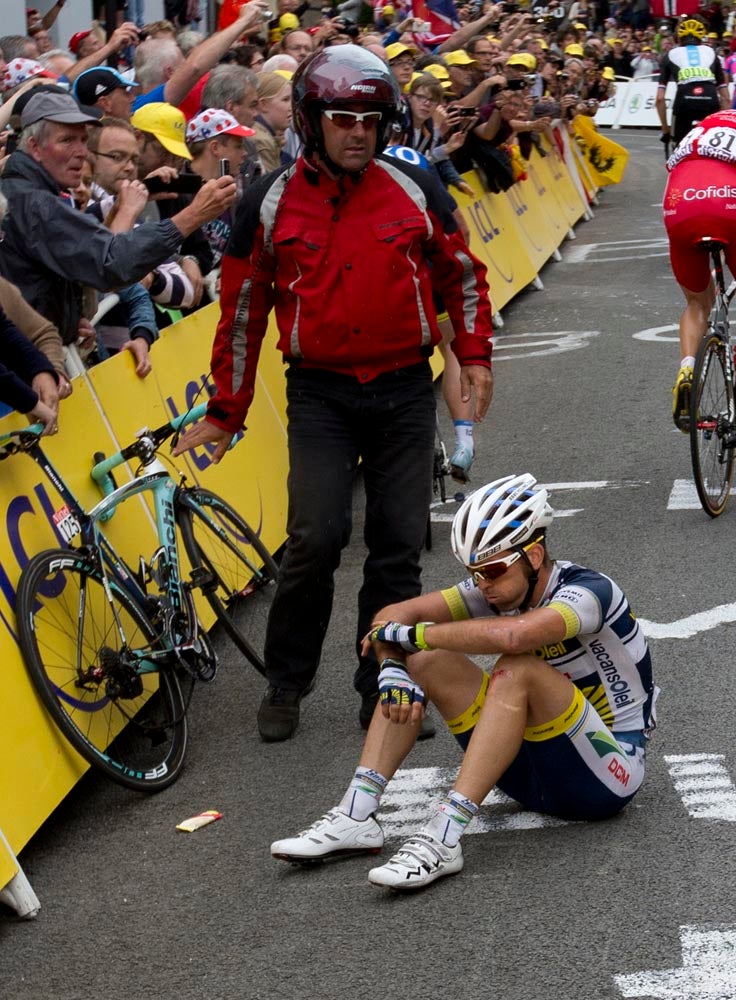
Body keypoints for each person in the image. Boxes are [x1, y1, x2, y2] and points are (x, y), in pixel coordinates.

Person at [173, 46, 494, 743]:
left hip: (406, 387)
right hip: (319, 394)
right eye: (343, 119)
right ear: (312, 123)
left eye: (372, 121)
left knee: (398, 544)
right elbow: (240, 317)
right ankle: (288, 680)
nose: (358, 133)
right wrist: (226, 410)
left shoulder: (416, 189)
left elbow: (463, 276)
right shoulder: (268, 201)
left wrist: (473, 356)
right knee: (315, 536)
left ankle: (384, 682)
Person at [270, 474, 658, 891]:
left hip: (606, 777)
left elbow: (515, 636)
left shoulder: (589, 592)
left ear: (534, 554)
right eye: (475, 572)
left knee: (516, 667)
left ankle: (444, 836)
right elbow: (393, 614)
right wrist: (392, 669)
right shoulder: (495, 587)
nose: (483, 584)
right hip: (530, 774)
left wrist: (411, 635)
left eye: (491, 569)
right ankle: (356, 815)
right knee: (427, 658)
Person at [0, 90, 236, 353]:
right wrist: (194, 215)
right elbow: (110, 262)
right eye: (67, 140)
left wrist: (67, 319)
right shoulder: (35, 203)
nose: (80, 152)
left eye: (82, 140)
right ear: (34, 146)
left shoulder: (34, 194)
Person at [663, 107, 736, 429]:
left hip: (680, 206)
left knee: (696, 303)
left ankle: (688, 368)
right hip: (727, 204)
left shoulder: (695, 135)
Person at [657, 16, 729, 149]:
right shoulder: (711, 52)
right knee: (713, 145)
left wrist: (666, 131)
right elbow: (726, 97)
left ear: (679, 39)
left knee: (678, 146)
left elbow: (660, 99)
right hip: (710, 97)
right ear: (701, 40)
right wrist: (725, 127)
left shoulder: (671, 54)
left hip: (684, 99)